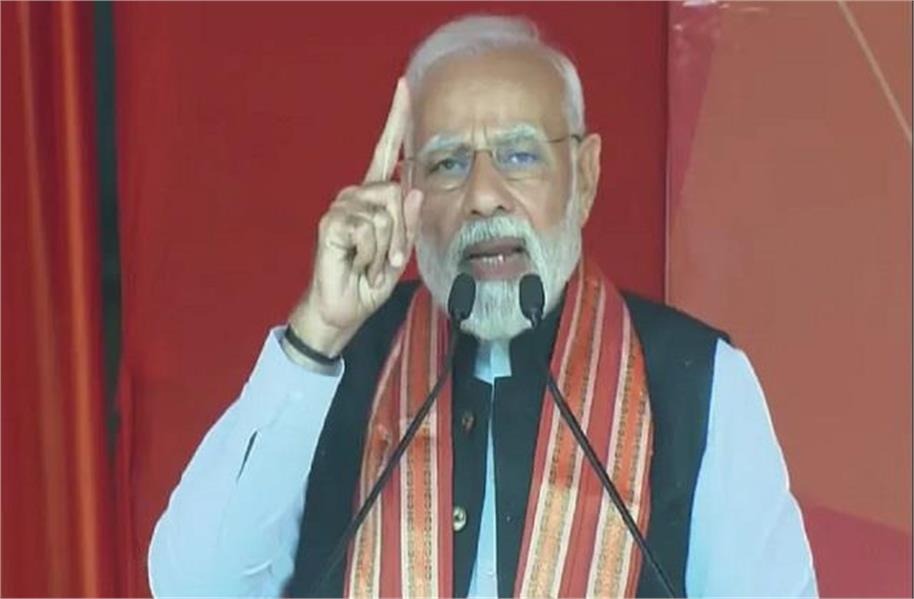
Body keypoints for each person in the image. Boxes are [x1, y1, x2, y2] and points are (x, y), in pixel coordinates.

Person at [148, 15, 817, 598]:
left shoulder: (699, 379)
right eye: (447, 164)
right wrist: (317, 334)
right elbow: (193, 586)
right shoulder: (338, 364)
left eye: (519, 155)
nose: (484, 196)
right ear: (407, 192)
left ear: (584, 178)